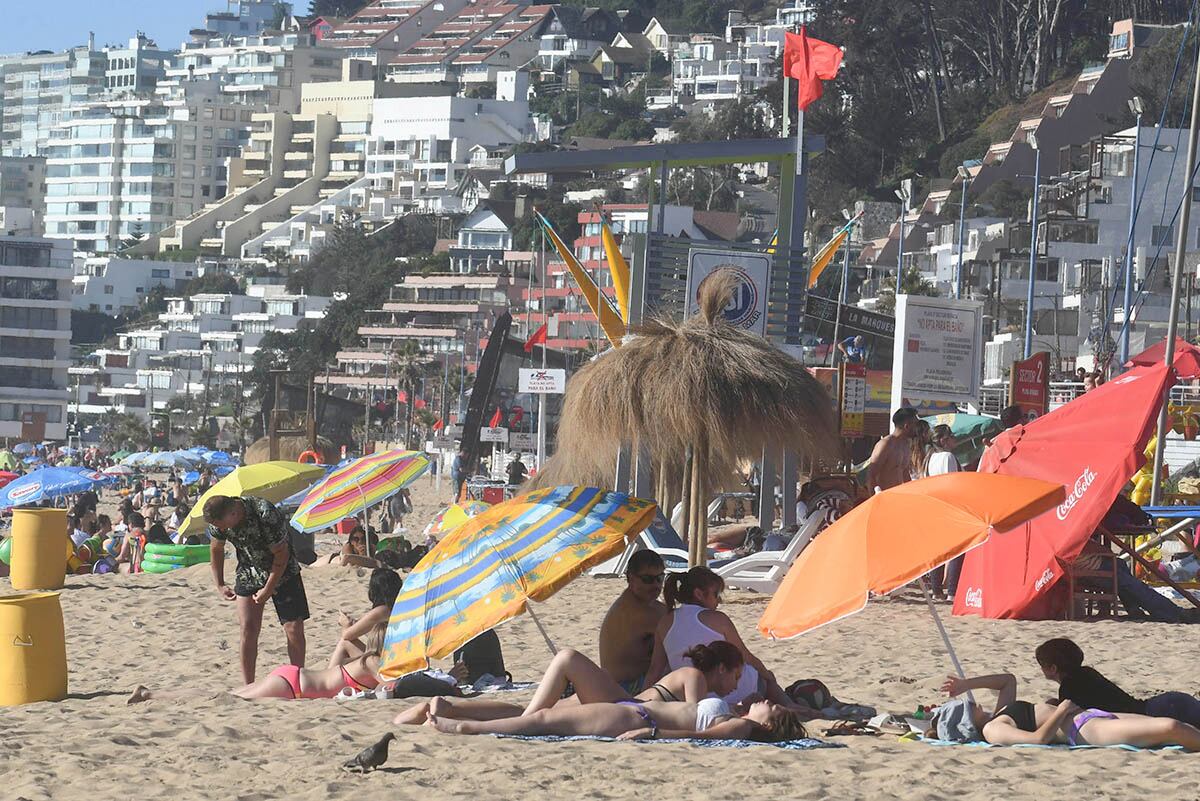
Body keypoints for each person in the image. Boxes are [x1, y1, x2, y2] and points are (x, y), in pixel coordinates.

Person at [394, 642, 746, 726]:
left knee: (528, 709)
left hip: (613, 702)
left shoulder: (687, 674)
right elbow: (693, 716)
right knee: (567, 659)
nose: (734, 685)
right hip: (621, 705)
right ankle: (516, 726)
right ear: (722, 668)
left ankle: (444, 709)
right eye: (736, 676)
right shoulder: (698, 678)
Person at [932, 672, 1200, 750]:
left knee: (1170, 726)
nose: (973, 701)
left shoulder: (999, 713)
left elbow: (1008, 680)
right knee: (1170, 728)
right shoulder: (992, 730)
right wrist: (1060, 710)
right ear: (967, 722)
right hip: (1083, 730)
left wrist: (966, 683)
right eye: (968, 706)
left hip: (1088, 715)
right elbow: (1037, 740)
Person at [644, 567, 791, 708]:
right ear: (699, 594)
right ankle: (794, 707)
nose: (718, 601)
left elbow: (655, 669)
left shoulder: (664, 622)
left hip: (691, 696)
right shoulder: (717, 619)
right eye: (715, 594)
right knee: (762, 678)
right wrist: (768, 676)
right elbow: (745, 656)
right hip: (734, 690)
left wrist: (641, 701)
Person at [204, 495, 310, 684]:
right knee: (248, 629)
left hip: (284, 572)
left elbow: (282, 554)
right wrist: (219, 583)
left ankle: (297, 680)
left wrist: (269, 588)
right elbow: (216, 549)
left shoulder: (264, 513)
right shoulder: (218, 520)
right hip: (248, 571)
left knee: (293, 627)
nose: (221, 529)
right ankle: (248, 685)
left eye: (222, 525)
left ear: (233, 513)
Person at [130, 627, 384, 704]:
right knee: (220, 698)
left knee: (224, 695)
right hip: (292, 687)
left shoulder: (364, 657)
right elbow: (395, 685)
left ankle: (148, 693)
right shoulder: (373, 662)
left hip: (293, 677)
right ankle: (149, 694)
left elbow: (345, 641)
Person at [1036, 638, 1200, 726]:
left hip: (1160, 712)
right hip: (1164, 704)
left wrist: (1055, 706)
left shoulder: (1069, 686)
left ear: (1053, 668)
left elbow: (1075, 719)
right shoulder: (1086, 673)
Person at [598, 550, 668, 693]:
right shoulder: (633, 610)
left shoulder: (646, 603)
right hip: (623, 688)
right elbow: (677, 625)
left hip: (627, 682)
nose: (655, 585)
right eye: (647, 579)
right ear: (630, 578)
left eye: (660, 578)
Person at [329, 568, 403, 668]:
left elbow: (347, 635)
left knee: (345, 643)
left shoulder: (382, 611)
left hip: (387, 664)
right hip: (396, 659)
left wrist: (344, 624)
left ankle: (328, 679)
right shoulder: (398, 606)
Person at [925, 424, 962, 599]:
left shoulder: (930, 458)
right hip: (948, 506)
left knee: (937, 551)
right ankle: (952, 592)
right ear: (943, 440)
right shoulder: (948, 457)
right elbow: (952, 483)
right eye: (951, 436)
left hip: (933, 506)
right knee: (956, 550)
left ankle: (936, 590)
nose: (955, 439)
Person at [867, 407, 920, 493]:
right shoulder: (886, 444)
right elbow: (871, 475)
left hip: (898, 496)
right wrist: (875, 499)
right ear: (907, 426)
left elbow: (905, 474)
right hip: (884, 496)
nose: (917, 428)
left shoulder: (906, 445)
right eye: (915, 424)